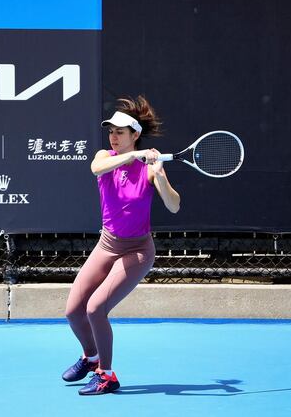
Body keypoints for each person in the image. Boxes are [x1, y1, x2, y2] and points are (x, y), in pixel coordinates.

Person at [62, 96, 181, 395]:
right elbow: (96, 169)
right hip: (107, 243)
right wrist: (131, 158)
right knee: (73, 311)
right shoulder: (104, 156)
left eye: (120, 132)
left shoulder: (150, 169)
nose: (113, 136)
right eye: (111, 131)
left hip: (138, 250)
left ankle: (107, 375)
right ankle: (91, 358)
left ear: (135, 135)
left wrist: (160, 176)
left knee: (96, 308)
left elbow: (174, 206)